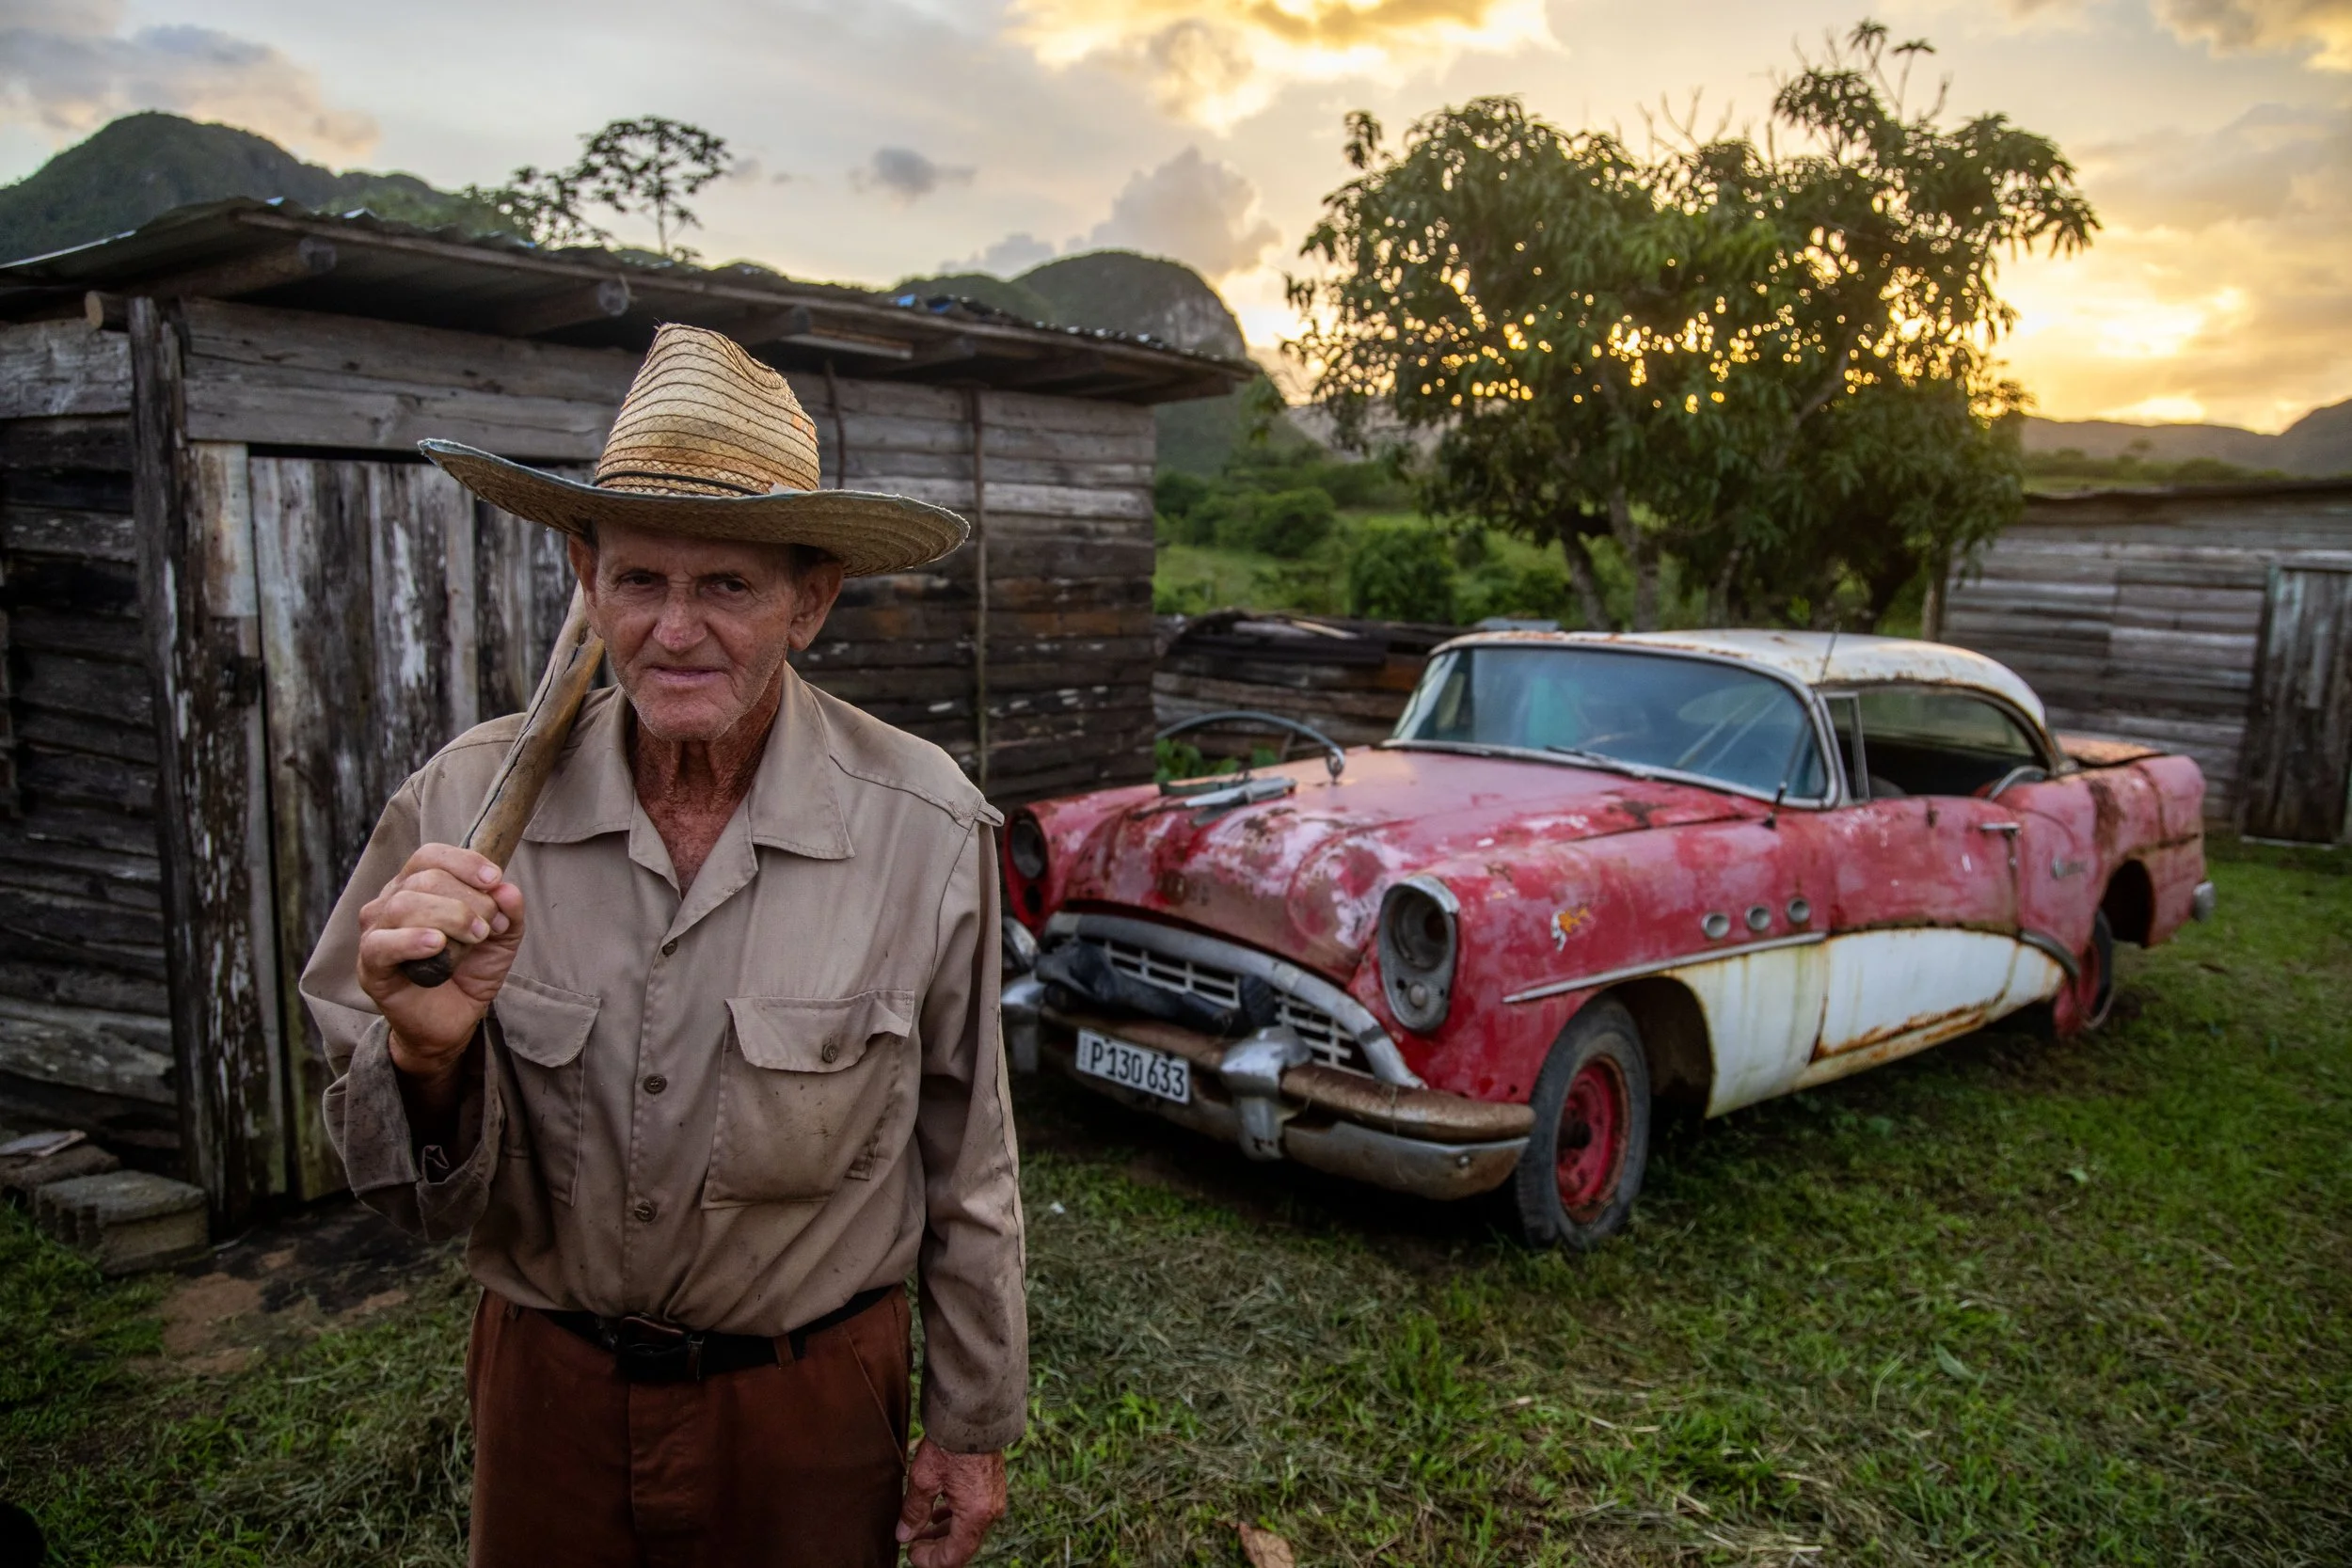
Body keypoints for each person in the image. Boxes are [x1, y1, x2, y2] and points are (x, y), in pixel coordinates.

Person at [301, 325, 1025, 1568]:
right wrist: (427, 1062)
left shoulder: (925, 825)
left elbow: (971, 1161)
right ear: (587, 580)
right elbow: (399, 1196)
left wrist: (970, 1421)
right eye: (639, 580)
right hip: (548, 1398)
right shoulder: (465, 816)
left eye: (727, 586)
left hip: (809, 1409)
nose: (675, 629)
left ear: (811, 600)